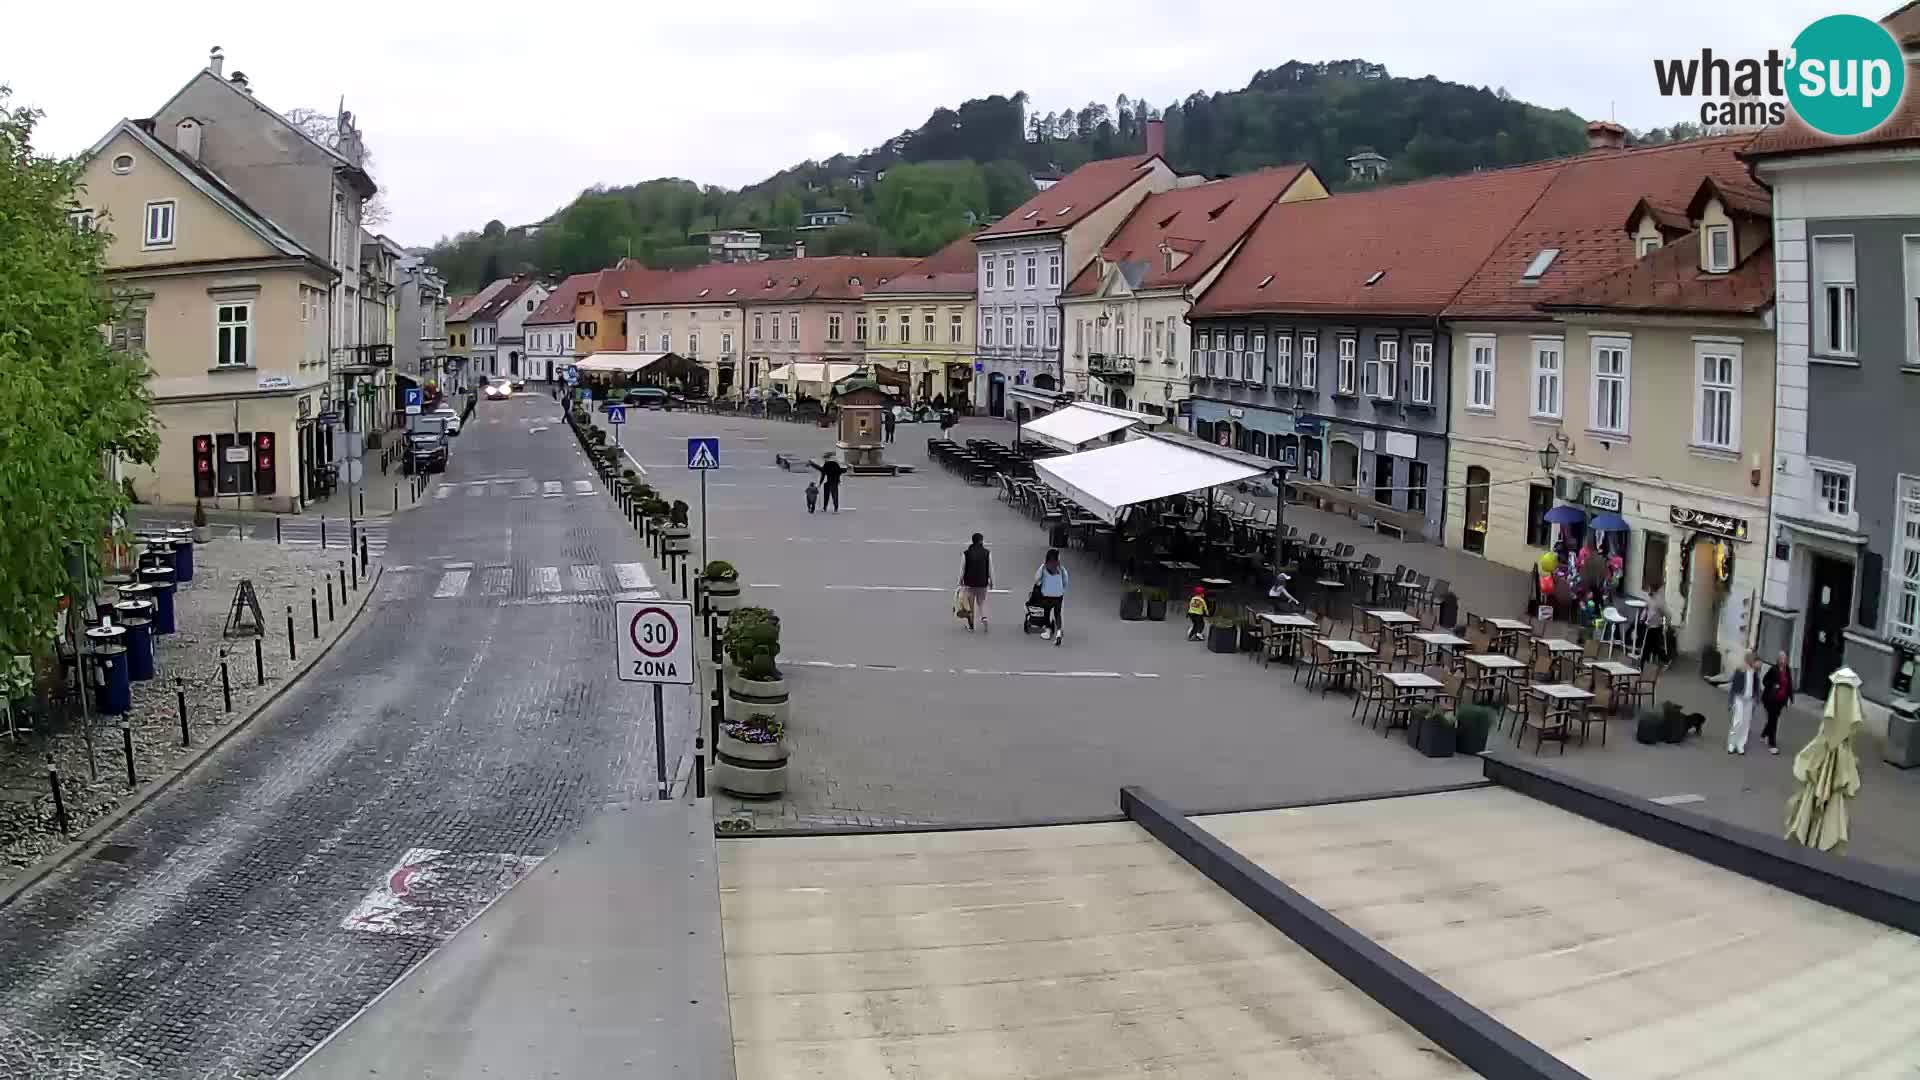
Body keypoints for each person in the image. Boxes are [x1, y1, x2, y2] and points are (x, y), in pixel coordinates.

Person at [1761, 650, 1795, 755]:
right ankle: (1772, 745)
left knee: (1773, 719)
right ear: (1778, 660)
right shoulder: (1773, 669)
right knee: (1774, 721)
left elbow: (1789, 684)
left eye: (1785, 659)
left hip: (1781, 700)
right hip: (1771, 699)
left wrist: (1790, 698)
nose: (1784, 661)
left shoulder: (1787, 670)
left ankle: (1764, 734)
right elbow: (1765, 681)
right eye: (1782, 659)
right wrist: (1773, 685)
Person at [1727, 651, 1761, 755]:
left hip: (1749, 700)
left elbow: (1756, 687)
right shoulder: (1740, 671)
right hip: (1739, 699)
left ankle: (1740, 744)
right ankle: (1731, 744)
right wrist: (1730, 701)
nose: (1759, 664)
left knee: (1746, 723)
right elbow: (1733, 688)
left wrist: (1757, 698)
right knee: (1738, 721)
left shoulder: (1755, 673)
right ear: (1752, 661)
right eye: (1757, 662)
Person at [1033, 548, 1069, 646]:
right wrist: (1062, 590)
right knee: (1057, 614)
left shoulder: (1044, 567)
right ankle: (1059, 632)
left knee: (1046, 612)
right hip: (1058, 595)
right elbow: (1066, 580)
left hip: (1046, 596)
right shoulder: (1061, 568)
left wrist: (1040, 584)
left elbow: (1036, 579)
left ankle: (1048, 631)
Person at [959, 533, 992, 633]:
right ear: (981, 541)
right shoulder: (987, 553)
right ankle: (984, 617)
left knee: (970, 605)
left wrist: (960, 580)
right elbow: (990, 568)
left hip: (969, 583)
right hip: (983, 582)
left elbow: (962, 568)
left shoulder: (966, 553)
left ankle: (971, 626)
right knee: (981, 602)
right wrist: (992, 581)